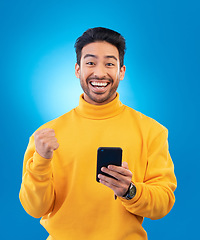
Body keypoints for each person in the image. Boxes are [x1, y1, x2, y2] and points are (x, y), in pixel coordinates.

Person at [19, 27, 177, 240]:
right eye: (90, 63)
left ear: (121, 71)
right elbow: (34, 208)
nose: (100, 73)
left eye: (110, 63)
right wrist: (41, 161)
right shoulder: (45, 136)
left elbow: (163, 203)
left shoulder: (152, 131)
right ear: (78, 70)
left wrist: (129, 191)